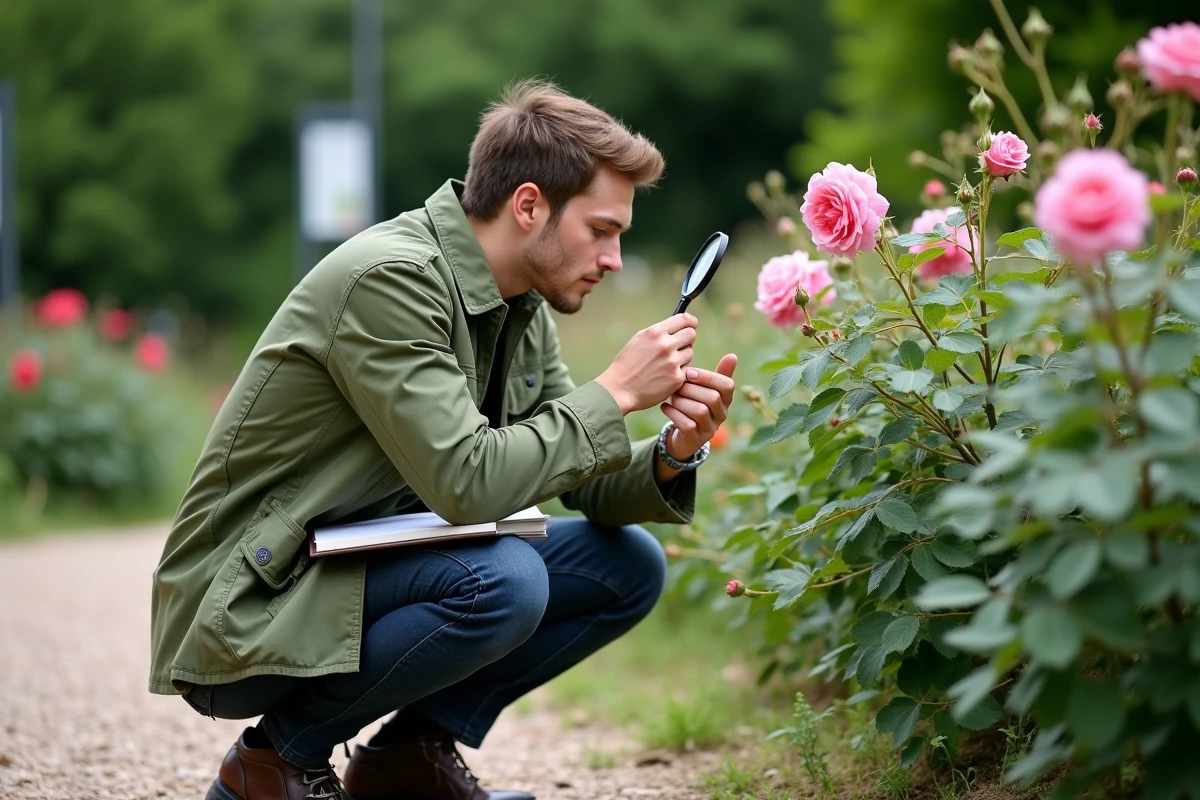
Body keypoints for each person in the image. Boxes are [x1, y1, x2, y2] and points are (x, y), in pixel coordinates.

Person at [148, 79, 737, 800]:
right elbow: (470, 484)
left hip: (359, 563)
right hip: (251, 598)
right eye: (603, 230)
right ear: (529, 206)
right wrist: (614, 393)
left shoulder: (519, 307)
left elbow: (585, 484)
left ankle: (406, 762)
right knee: (503, 581)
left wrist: (675, 452)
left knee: (627, 566)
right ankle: (272, 763)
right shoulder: (389, 279)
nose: (613, 259)